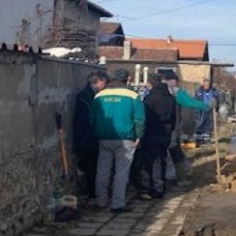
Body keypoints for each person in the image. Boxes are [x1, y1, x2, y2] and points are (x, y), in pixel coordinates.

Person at [91, 69, 145, 212]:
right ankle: (117, 203)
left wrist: (97, 132)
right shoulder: (133, 95)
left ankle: (101, 201)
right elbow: (139, 118)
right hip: (126, 138)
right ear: (127, 79)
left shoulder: (99, 95)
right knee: (122, 171)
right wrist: (139, 135)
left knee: (102, 170)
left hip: (104, 137)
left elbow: (92, 118)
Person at [160, 71, 211, 185]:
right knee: (176, 153)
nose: (176, 83)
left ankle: (159, 179)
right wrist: (207, 106)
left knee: (159, 155)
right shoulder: (176, 92)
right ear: (171, 80)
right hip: (172, 129)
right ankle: (181, 179)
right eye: (175, 80)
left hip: (156, 129)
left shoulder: (152, 91)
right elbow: (190, 102)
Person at [72, 71, 109, 200]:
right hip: (87, 137)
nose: (105, 86)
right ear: (98, 81)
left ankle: (93, 191)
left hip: (87, 136)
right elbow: (89, 118)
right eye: (104, 82)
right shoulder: (88, 96)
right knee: (91, 166)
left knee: (92, 165)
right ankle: (92, 192)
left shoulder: (88, 94)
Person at [140, 73, 176, 200]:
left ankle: (156, 189)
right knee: (162, 158)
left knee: (153, 161)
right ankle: (161, 185)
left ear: (151, 84)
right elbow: (174, 117)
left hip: (152, 133)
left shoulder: (150, 98)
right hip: (165, 133)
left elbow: (144, 117)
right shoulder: (171, 98)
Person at [194, 78, 219, 143]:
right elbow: (196, 100)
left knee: (209, 125)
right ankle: (199, 139)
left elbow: (217, 100)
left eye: (208, 85)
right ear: (203, 84)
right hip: (201, 110)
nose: (207, 86)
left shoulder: (213, 91)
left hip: (210, 110)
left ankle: (207, 139)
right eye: (205, 85)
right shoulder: (199, 91)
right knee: (200, 124)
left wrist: (216, 110)